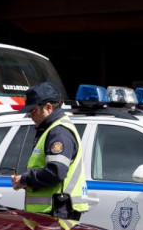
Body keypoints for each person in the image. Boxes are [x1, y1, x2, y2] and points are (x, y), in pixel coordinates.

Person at [11, 82, 87, 220]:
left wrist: (25, 178)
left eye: (32, 111)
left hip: (57, 210)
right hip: (54, 210)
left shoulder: (58, 132)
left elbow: (56, 172)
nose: (30, 116)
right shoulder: (51, 130)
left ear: (48, 107)